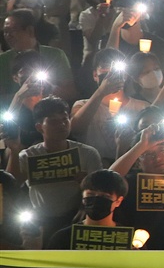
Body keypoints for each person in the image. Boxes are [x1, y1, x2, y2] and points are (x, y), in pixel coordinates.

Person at [11, 96, 103, 240]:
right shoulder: (28, 155)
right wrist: (14, 150)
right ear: (39, 127)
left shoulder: (88, 153)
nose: (62, 125)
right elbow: (12, 184)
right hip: (39, 220)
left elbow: (100, 191)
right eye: (54, 121)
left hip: (76, 217)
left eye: (65, 119)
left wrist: (86, 189)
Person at [45, 169, 129, 249]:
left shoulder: (128, 239)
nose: (96, 199)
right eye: (90, 194)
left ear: (118, 201)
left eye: (105, 196)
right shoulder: (63, 238)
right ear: (83, 197)